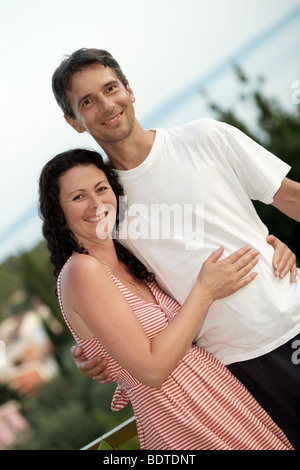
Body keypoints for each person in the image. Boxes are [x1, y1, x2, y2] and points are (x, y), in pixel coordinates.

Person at [51, 48, 300, 448]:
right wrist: (96, 352)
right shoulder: (105, 203)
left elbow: (291, 199)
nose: (106, 105)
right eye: (86, 102)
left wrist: (276, 241)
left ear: (129, 90)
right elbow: (123, 293)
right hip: (235, 369)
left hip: (293, 314)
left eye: (111, 88)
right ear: (73, 121)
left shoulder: (205, 136)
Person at [39, 148, 293, 450]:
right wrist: (205, 291)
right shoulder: (82, 270)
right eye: (78, 197)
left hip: (223, 402)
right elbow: (152, 370)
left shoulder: (127, 258)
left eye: (101, 188)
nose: (97, 203)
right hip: (181, 420)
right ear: (59, 212)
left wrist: (271, 253)